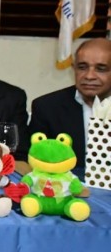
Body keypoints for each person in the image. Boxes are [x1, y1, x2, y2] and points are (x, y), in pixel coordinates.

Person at [23, 38, 111, 171]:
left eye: (101, 69)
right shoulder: (47, 107)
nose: (89, 76)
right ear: (73, 68)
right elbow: (35, 159)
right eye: (82, 67)